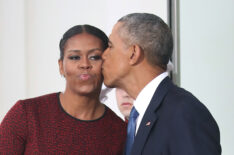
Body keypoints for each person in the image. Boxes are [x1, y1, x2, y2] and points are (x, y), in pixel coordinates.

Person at [102, 13, 221, 155]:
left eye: (110, 46)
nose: (104, 55)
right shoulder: (139, 116)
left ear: (133, 53)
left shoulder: (184, 112)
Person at [0, 25, 127, 154]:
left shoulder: (119, 132)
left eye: (94, 57)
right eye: (74, 57)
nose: (85, 64)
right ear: (61, 66)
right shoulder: (26, 114)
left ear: (106, 63)